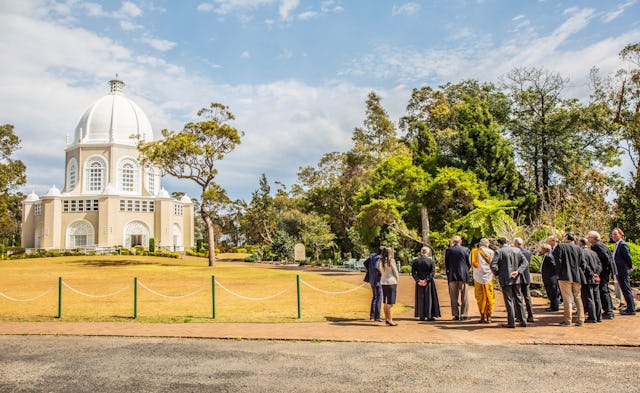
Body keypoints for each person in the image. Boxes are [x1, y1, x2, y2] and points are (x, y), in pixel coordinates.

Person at [490, 237, 528, 328]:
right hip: (516, 278)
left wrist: (498, 273)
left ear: (499, 244)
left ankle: (511, 322)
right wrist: (518, 271)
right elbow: (525, 262)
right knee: (519, 299)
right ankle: (523, 321)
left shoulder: (499, 252)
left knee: (509, 300)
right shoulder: (517, 250)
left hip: (505, 279)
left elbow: (492, 265)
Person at [553, 233, 586, 327]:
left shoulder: (561, 247)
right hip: (576, 276)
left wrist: (559, 273)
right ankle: (581, 319)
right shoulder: (579, 249)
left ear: (566, 237)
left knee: (567, 299)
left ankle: (568, 320)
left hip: (564, 276)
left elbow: (557, 261)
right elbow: (583, 264)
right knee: (578, 298)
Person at [587, 231, 616, 319]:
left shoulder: (597, 246)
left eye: (589, 237)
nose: (587, 238)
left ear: (593, 237)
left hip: (602, 272)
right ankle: (608, 310)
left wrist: (606, 268)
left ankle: (608, 311)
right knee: (604, 290)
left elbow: (606, 257)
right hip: (603, 271)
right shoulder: (599, 245)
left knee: (603, 290)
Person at [444, 235, 471, 321]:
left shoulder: (448, 250)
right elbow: (469, 263)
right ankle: (464, 314)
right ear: (460, 241)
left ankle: (455, 314)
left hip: (452, 275)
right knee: (465, 296)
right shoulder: (465, 250)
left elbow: (446, 263)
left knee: (453, 296)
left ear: (453, 242)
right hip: (463, 275)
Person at [412, 246, 441, 321]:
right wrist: (426, 280)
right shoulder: (431, 261)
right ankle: (429, 315)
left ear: (421, 252)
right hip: (429, 282)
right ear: (427, 252)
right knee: (429, 297)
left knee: (420, 298)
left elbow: (413, 272)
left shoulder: (416, 261)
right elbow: (433, 272)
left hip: (419, 280)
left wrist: (418, 280)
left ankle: (421, 315)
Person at [612, 228, 636, 315]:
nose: (614, 236)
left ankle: (631, 309)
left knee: (626, 289)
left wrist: (630, 267)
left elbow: (628, 258)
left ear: (621, 235)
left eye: (616, 234)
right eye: (613, 234)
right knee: (624, 289)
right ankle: (630, 307)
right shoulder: (617, 244)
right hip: (619, 271)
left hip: (623, 271)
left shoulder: (622, 245)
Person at [470, 238, 495, 323]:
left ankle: (482, 316)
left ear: (480, 244)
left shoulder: (474, 251)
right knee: (489, 296)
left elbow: (471, 263)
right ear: (488, 244)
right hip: (488, 277)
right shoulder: (491, 252)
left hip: (477, 277)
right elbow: (493, 264)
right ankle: (489, 316)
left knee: (480, 297)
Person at [578, 237, 602, 323]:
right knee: (597, 297)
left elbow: (584, 265)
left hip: (587, 278)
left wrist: (592, 274)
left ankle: (592, 317)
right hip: (595, 278)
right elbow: (599, 264)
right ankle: (599, 317)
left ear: (581, 243)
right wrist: (597, 274)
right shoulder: (594, 253)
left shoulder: (582, 253)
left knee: (589, 297)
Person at [513, 237, 534, 323]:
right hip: (526, 276)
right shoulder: (528, 252)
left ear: (516, 244)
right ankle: (530, 315)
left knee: (518, 297)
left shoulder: (515, 252)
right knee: (527, 297)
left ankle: (519, 315)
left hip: (517, 276)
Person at [379, 247, 399, 326]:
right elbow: (395, 272)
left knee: (385, 301)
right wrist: (397, 281)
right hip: (391, 281)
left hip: (383, 281)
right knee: (390, 302)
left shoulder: (380, 261)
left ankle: (387, 318)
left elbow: (380, 271)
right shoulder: (391, 261)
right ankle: (390, 319)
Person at [363, 247, 383, 322]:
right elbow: (377, 266)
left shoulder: (372, 256)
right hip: (378, 280)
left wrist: (370, 271)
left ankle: (372, 315)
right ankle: (377, 316)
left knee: (375, 297)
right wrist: (382, 273)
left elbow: (365, 263)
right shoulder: (379, 258)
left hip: (371, 280)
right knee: (379, 297)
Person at [540, 244, 560, 311]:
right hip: (548, 277)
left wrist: (554, 275)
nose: (541, 250)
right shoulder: (547, 255)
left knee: (553, 293)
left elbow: (554, 266)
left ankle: (554, 307)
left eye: (542, 248)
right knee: (550, 292)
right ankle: (552, 306)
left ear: (545, 249)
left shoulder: (549, 256)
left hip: (551, 277)